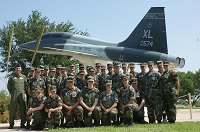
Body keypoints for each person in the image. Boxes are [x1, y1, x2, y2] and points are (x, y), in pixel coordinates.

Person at [7, 63, 27, 129]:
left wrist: (24, 93)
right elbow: (8, 87)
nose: (18, 69)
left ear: (21, 69)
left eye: (19, 68)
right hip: (14, 94)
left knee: (23, 109)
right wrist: (12, 93)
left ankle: (23, 124)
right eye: (17, 68)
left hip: (22, 94)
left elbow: (26, 86)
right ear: (15, 69)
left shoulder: (24, 77)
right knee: (12, 109)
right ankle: (11, 124)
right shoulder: (12, 77)